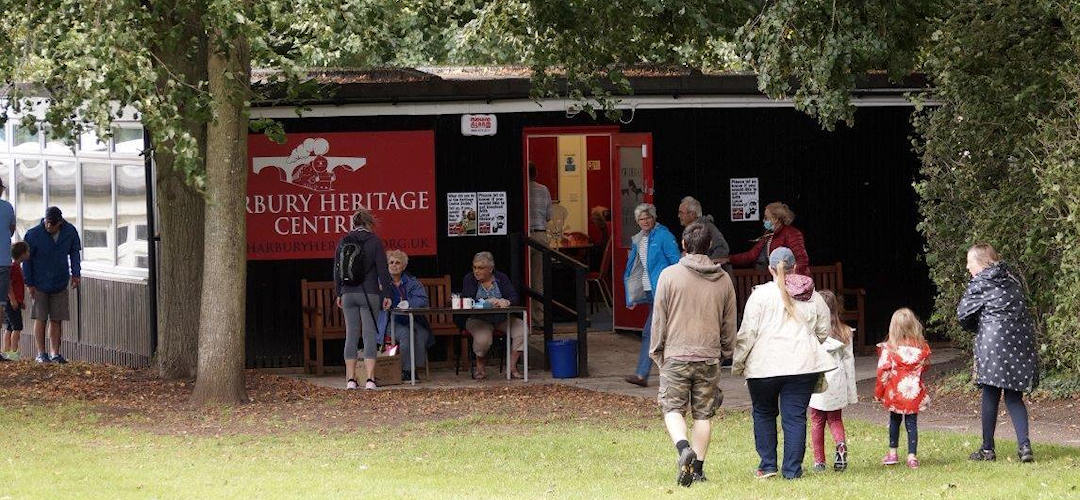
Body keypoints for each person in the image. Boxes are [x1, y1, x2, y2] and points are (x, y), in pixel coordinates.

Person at [732, 247, 834, 479]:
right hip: (802, 366)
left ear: (770, 268)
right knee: (795, 417)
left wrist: (738, 363)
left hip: (763, 367)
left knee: (764, 412)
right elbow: (823, 331)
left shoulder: (759, 296)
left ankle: (767, 466)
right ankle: (792, 470)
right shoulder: (812, 295)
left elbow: (747, 334)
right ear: (795, 267)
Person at [649, 222, 737, 486]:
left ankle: (683, 448)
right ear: (710, 246)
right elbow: (729, 322)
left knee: (672, 408)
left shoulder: (669, 275)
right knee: (703, 414)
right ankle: (697, 469)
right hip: (709, 356)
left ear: (684, 245)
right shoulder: (723, 279)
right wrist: (725, 351)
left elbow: (659, 319)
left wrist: (657, 351)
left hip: (676, 355)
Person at [957, 244, 1037, 463]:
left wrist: (980, 325)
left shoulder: (980, 282)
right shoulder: (1012, 279)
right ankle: (1024, 446)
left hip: (993, 343)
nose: (967, 267)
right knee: (1014, 396)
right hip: (1020, 341)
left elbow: (963, 315)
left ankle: (987, 450)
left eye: (969, 263)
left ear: (981, 264)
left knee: (990, 393)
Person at [334, 208, 393, 390]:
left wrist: (339, 293)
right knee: (369, 335)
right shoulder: (374, 241)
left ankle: (351, 380)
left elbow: (336, 269)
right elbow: (383, 271)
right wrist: (387, 295)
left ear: (353, 223)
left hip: (348, 293)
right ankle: (369, 379)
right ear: (370, 223)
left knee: (351, 335)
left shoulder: (344, 240)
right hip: (369, 294)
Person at [622, 203, 680, 387]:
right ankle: (669, 372)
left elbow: (675, 262)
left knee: (650, 332)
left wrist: (672, 287)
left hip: (661, 291)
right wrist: (630, 296)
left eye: (648, 217)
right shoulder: (638, 239)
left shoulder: (664, 236)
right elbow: (633, 269)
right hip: (649, 291)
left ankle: (642, 374)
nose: (645, 221)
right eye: (641, 218)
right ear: (637, 221)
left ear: (654, 218)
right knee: (661, 332)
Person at [807, 290, 859, 472]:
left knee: (816, 420)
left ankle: (819, 462)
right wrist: (851, 392)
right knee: (835, 419)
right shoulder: (845, 332)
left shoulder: (813, 333)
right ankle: (841, 445)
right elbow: (849, 363)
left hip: (818, 382)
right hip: (837, 382)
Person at [874, 308, 931, 469]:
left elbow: (882, 372)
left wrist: (879, 392)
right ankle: (912, 456)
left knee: (894, 421)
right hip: (913, 392)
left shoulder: (890, 350)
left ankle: (893, 453)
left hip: (895, 392)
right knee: (912, 424)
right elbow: (925, 367)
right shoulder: (922, 349)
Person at [24, 206, 81, 364]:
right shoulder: (33, 234)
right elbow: (26, 260)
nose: (49, 227)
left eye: (52, 224)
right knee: (40, 317)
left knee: (57, 318)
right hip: (39, 283)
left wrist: (76, 273)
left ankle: (55, 353)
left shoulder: (70, 232)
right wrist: (29, 283)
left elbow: (75, 252)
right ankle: (41, 353)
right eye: (47, 223)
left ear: (60, 223)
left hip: (59, 282)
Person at [460, 251, 526, 380]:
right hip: (478, 319)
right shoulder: (469, 279)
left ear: (490, 269)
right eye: (474, 267)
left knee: (521, 329)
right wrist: (485, 302)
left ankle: (512, 367)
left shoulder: (502, 278)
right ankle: (480, 366)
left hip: (501, 318)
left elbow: (514, 297)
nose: (476, 271)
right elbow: (467, 299)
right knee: (483, 340)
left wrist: (506, 301)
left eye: (481, 268)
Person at [377, 249, 433, 382]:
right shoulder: (381, 282)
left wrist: (408, 303)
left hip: (412, 319)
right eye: (391, 262)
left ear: (403, 266)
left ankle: (414, 368)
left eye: (397, 262)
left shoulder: (412, 282)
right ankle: (407, 371)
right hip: (389, 321)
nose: (394, 265)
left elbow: (423, 300)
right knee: (406, 334)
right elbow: (374, 302)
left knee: (423, 334)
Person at [723, 201, 809, 275]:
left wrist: (793, 281)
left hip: (790, 282)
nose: (764, 220)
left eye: (766, 218)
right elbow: (751, 255)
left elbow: (802, 260)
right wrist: (729, 259)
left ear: (775, 219)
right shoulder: (769, 235)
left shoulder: (792, 233)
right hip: (776, 279)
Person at [528, 162, 552, 325]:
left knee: (523, 277)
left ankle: (525, 317)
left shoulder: (522, 189)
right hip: (541, 236)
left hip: (526, 235)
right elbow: (549, 215)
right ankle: (539, 319)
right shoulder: (543, 190)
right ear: (536, 173)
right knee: (538, 280)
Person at [676, 196, 730, 265]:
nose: (679, 216)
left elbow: (723, 249)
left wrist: (705, 265)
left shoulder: (707, 228)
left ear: (692, 214)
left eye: (681, 213)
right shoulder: (689, 230)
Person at [1, 242, 29, 361]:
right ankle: (13, 353)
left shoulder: (17, 267)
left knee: (9, 327)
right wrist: (13, 299)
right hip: (11, 302)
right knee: (17, 327)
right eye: (27, 251)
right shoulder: (13, 267)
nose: (29, 254)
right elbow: (8, 285)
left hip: (14, 302)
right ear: (22, 254)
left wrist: (20, 301)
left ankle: (6, 351)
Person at [0, 179, 13, 361]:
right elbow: (11, 230)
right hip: (3, 261)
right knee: (0, 306)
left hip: (3, 262)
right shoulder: (8, 208)